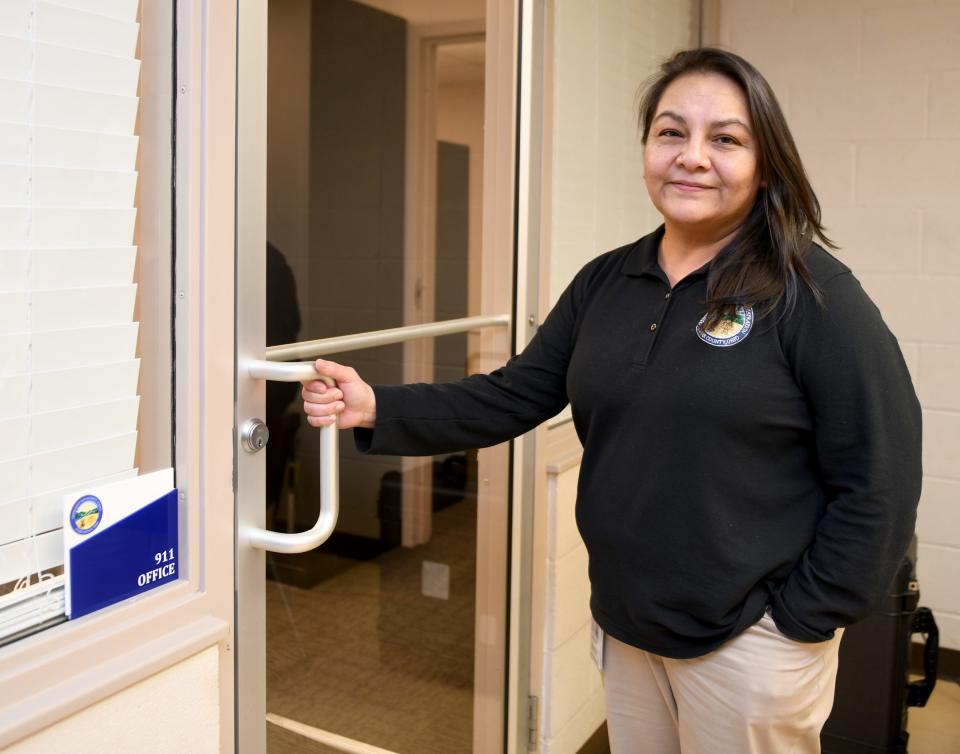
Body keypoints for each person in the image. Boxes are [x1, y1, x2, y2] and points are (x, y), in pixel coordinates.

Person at [300, 48, 922, 754]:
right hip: (627, 622)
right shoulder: (607, 281)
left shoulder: (812, 294)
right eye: (670, 132)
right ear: (648, 148)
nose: (691, 157)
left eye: (724, 138)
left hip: (751, 642)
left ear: (765, 162)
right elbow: (515, 394)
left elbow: (882, 477)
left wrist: (802, 620)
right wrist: (377, 406)